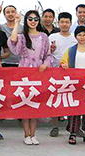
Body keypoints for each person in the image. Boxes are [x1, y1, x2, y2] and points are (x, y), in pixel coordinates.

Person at [8, 10, 55, 145]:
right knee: (25, 102)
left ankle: (33, 134)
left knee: (35, 103)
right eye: (30, 19)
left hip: (39, 72)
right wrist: (16, 22)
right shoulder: (22, 36)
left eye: (35, 19)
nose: (33, 21)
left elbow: (48, 55)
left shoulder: (44, 36)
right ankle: (26, 134)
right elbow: (13, 43)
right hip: (24, 71)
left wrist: (45, 64)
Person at [47, 12, 77, 137]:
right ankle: (55, 126)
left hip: (71, 73)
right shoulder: (52, 37)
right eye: (62, 22)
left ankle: (71, 125)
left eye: (67, 22)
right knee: (55, 98)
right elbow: (46, 53)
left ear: (70, 23)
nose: (64, 24)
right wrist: (51, 50)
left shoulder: (75, 38)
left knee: (71, 99)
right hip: (55, 72)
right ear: (58, 23)